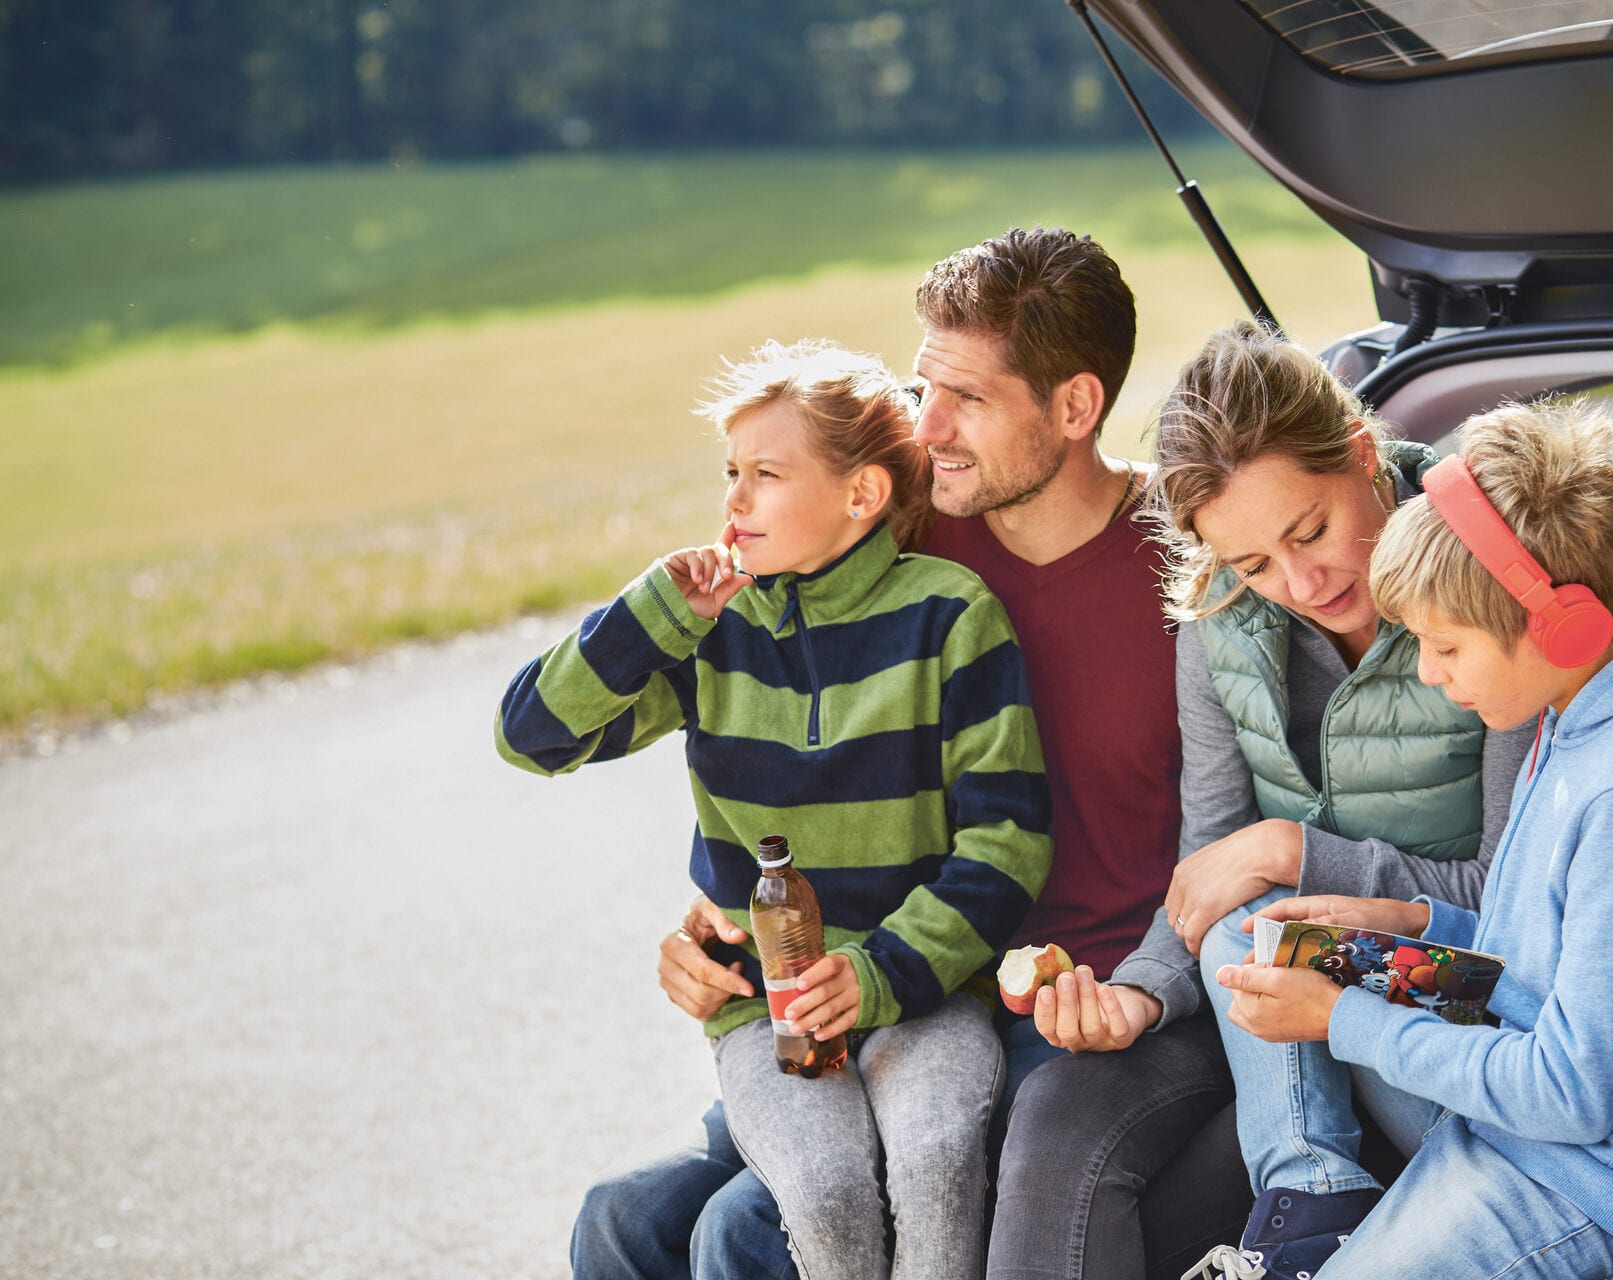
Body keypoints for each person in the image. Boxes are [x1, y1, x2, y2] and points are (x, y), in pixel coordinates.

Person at [570, 228, 1190, 1280]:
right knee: (621, 1221)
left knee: (738, 1235)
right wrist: (717, 914)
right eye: (919, 385)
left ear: (1076, 408)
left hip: (1073, 998)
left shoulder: (1192, 563)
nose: (925, 426)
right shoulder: (898, 544)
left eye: (968, 399)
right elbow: (764, 732)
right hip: (891, 979)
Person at [496, 339, 1054, 1280]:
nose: (734, 502)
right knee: (815, 1189)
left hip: (925, 993)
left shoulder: (950, 617)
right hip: (767, 1013)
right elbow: (532, 736)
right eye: (730, 474)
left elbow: (1006, 842)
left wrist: (876, 974)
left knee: (931, 1154)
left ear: (861, 496)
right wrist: (650, 611)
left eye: (765, 474)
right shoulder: (713, 637)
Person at [986, 321, 1533, 1280]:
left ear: (1364, 457)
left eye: (1310, 530)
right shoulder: (1218, 626)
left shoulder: (1481, 589)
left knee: (1263, 921)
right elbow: (1211, 868)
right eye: (1252, 565)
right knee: (1060, 1111)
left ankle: (1314, 1204)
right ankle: (1309, 1206)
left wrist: (1292, 851)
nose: (1301, 583)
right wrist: (1141, 996)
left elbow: (1516, 902)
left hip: (1461, 1003)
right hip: (1286, 1002)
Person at [1191, 400, 1613, 1280]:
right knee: (1264, 935)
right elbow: (1537, 963)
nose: (1427, 671)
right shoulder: (1569, 717)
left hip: (1562, 1175)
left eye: (1445, 646)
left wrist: (1345, 1018)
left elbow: (1574, 1091)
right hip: (1502, 1104)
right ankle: (1318, 1211)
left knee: (1318, 986)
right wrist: (1412, 924)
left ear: (1559, 624)